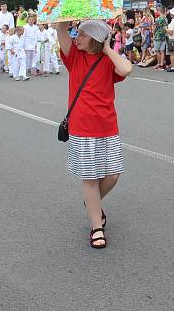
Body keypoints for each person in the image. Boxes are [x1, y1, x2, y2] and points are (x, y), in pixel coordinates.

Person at [56, 19, 132, 249]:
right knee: (89, 178)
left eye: (82, 35)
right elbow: (60, 30)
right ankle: (96, 227)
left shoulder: (107, 60)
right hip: (82, 128)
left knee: (113, 175)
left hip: (108, 125)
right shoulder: (74, 57)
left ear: (96, 39)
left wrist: (108, 48)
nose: (76, 38)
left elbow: (126, 68)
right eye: (76, 33)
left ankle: (93, 204)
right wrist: (64, 18)